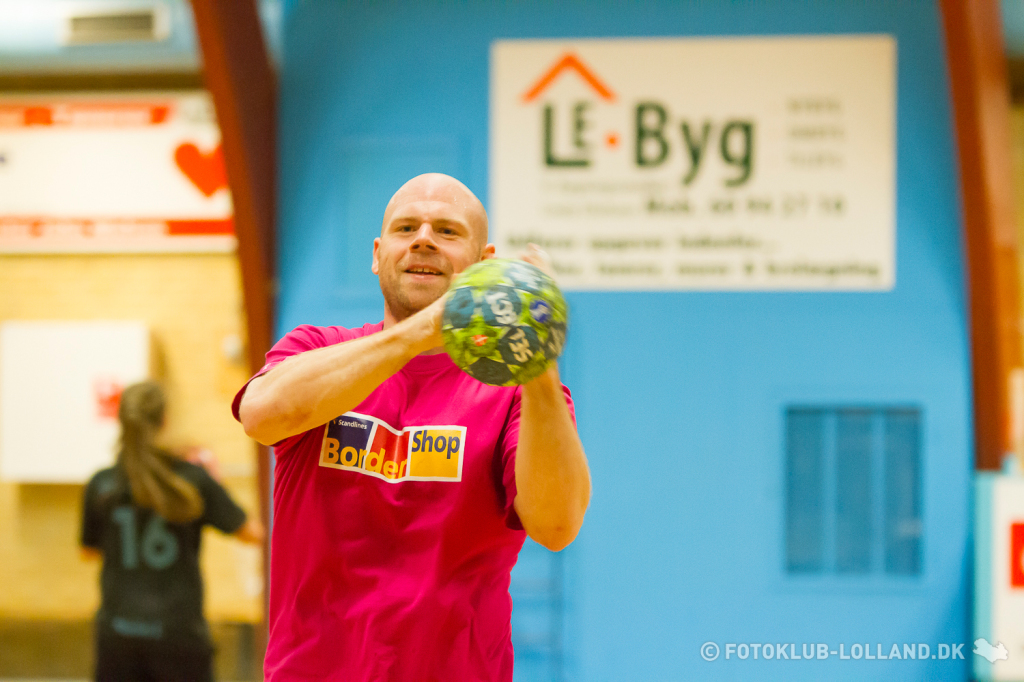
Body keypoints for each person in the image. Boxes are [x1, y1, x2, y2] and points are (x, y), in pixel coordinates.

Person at [234, 173, 591, 681]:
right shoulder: (315, 349)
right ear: (378, 254)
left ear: (483, 263)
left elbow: (557, 526)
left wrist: (538, 363)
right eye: (406, 228)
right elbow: (261, 416)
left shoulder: (517, 394)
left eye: (447, 231)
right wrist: (424, 330)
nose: (423, 239)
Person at [81, 381, 264, 682]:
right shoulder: (191, 480)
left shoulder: (101, 484)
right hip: (179, 635)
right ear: (164, 420)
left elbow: (89, 552)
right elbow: (252, 533)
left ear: (122, 422)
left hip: (117, 634)